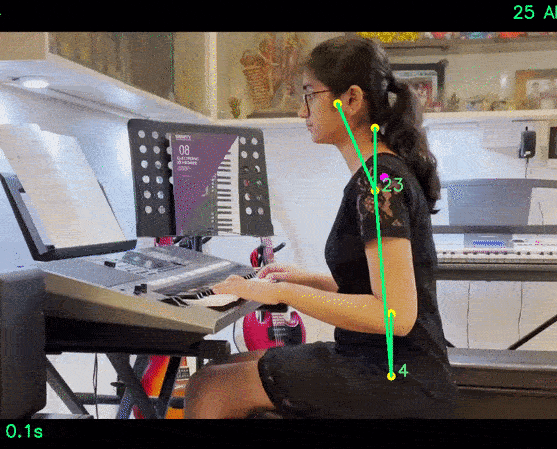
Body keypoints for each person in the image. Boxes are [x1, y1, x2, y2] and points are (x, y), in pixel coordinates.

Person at [183, 37, 458, 419]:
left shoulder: (379, 183)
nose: (302, 111)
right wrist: (306, 280)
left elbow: (394, 315)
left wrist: (281, 291)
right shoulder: (379, 175)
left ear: (351, 99)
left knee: (209, 387)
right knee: (219, 371)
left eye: (310, 95)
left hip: (396, 378)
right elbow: (371, 289)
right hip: (383, 363)